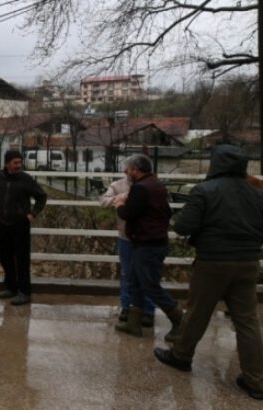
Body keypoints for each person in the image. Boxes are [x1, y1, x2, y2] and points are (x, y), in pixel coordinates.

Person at [154, 145, 263, 401]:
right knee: (248, 321)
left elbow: (183, 225)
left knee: (198, 312)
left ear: (216, 164)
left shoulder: (204, 191)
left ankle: (181, 356)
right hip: (248, 262)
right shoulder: (258, 193)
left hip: (213, 261)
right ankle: (255, 380)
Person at [113, 154, 183, 341]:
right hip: (150, 242)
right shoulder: (156, 184)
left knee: (150, 286)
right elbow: (167, 211)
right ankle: (133, 324)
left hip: (148, 245)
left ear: (136, 169)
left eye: (128, 169)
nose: (125, 172)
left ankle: (180, 321)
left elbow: (128, 214)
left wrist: (119, 204)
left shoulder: (141, 188)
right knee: (135, 281)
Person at [100, 162, 155, 327]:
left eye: (130, 169)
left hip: (147, 237)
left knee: (147, 274)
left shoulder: (151, 185)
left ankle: (148, 311)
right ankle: (126, 308)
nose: (127, 172)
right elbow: (103, 201)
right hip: (125, 236)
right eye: (126, 169)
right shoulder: (118, 185)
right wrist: (122, 197)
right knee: (127, 273)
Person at [0, 150, 47, 306]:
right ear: (7, 163)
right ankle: (11, 287)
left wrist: (33, 214)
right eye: (15, 162)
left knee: (22, 260)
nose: (18, 165)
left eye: (20, 162)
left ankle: (24, 292)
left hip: (20, 225)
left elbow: (41, 196)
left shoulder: (26, 179)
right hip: (2, 223)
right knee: (5, 257)